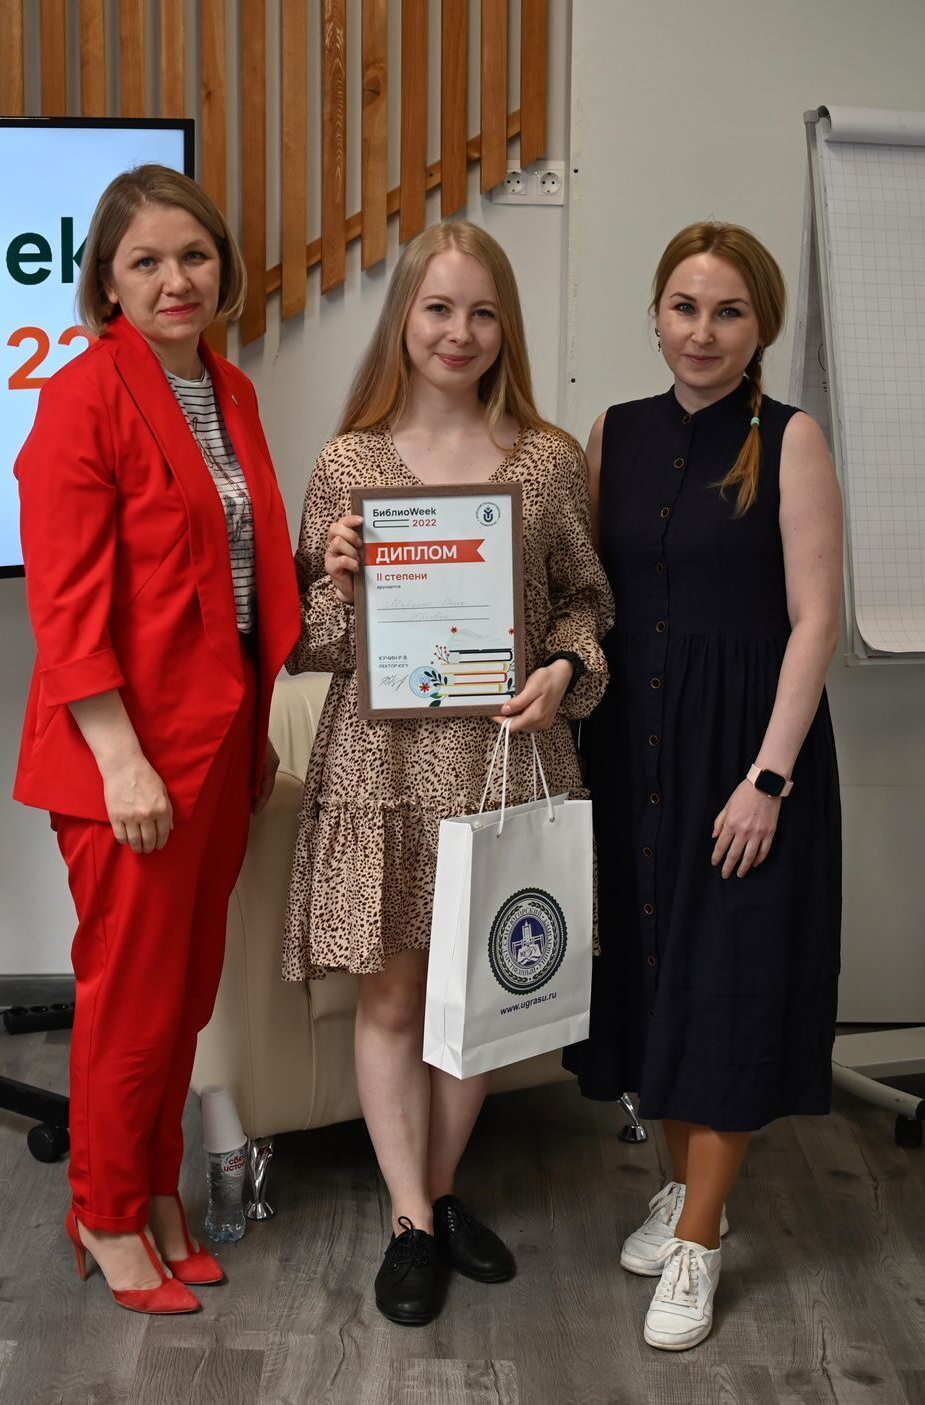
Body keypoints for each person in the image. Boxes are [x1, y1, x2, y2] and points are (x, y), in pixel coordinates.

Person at [282, 221, 613, 1327]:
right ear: (404, 320)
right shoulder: (349, 464)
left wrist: (565, 669)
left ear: (505, 326)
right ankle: (412, 1218)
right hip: (382, 767)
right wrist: (335, 583)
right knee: (391, 992)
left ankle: (436, 1190)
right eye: (437, 308)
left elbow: (587, 606)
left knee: (480, 990)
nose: (459, 332)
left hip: (507, 761)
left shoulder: (549, 461)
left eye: (482, 311)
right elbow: (310, 643)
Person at [13, 165, 301, 1315]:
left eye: (193, 255)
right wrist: (121, 760)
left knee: (183, 996)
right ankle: (104, 1208)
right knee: (128, 1000)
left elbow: (231, 571)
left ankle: (154, 1192)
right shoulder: (81, 399)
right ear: (108, 285)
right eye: (147, 261)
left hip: (218, 739)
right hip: (124, 755)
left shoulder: (228, 389)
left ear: (222, 268)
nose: (175, 279)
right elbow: (66, 602)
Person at [562, 221, 844, 1351]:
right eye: (684, 306)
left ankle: (698, 1242)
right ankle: (687, 1192)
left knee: (726, 983)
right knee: (655, 976)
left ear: (762, 325)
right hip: (632, 748)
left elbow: (816, 622)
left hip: (745, 753)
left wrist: (768, 777)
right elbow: (586, 594)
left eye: (729, 311)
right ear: (656, 313)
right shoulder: (613, 433)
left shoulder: (793, 438)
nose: (703, 331)